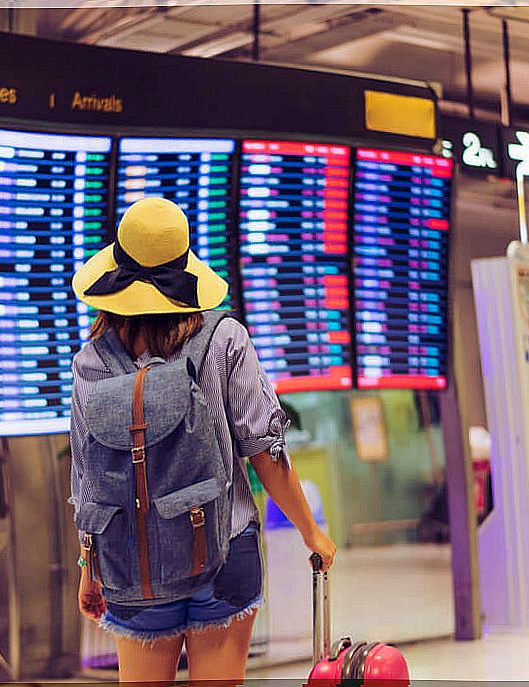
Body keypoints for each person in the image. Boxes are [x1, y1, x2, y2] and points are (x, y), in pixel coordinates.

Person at [69, 197, 336, 683]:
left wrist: (89, 568)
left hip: (132, 567)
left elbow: (87, 480)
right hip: (223, 552)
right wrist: (309, 531)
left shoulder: (91, 360)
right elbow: (265, 452)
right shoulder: (224, 338)